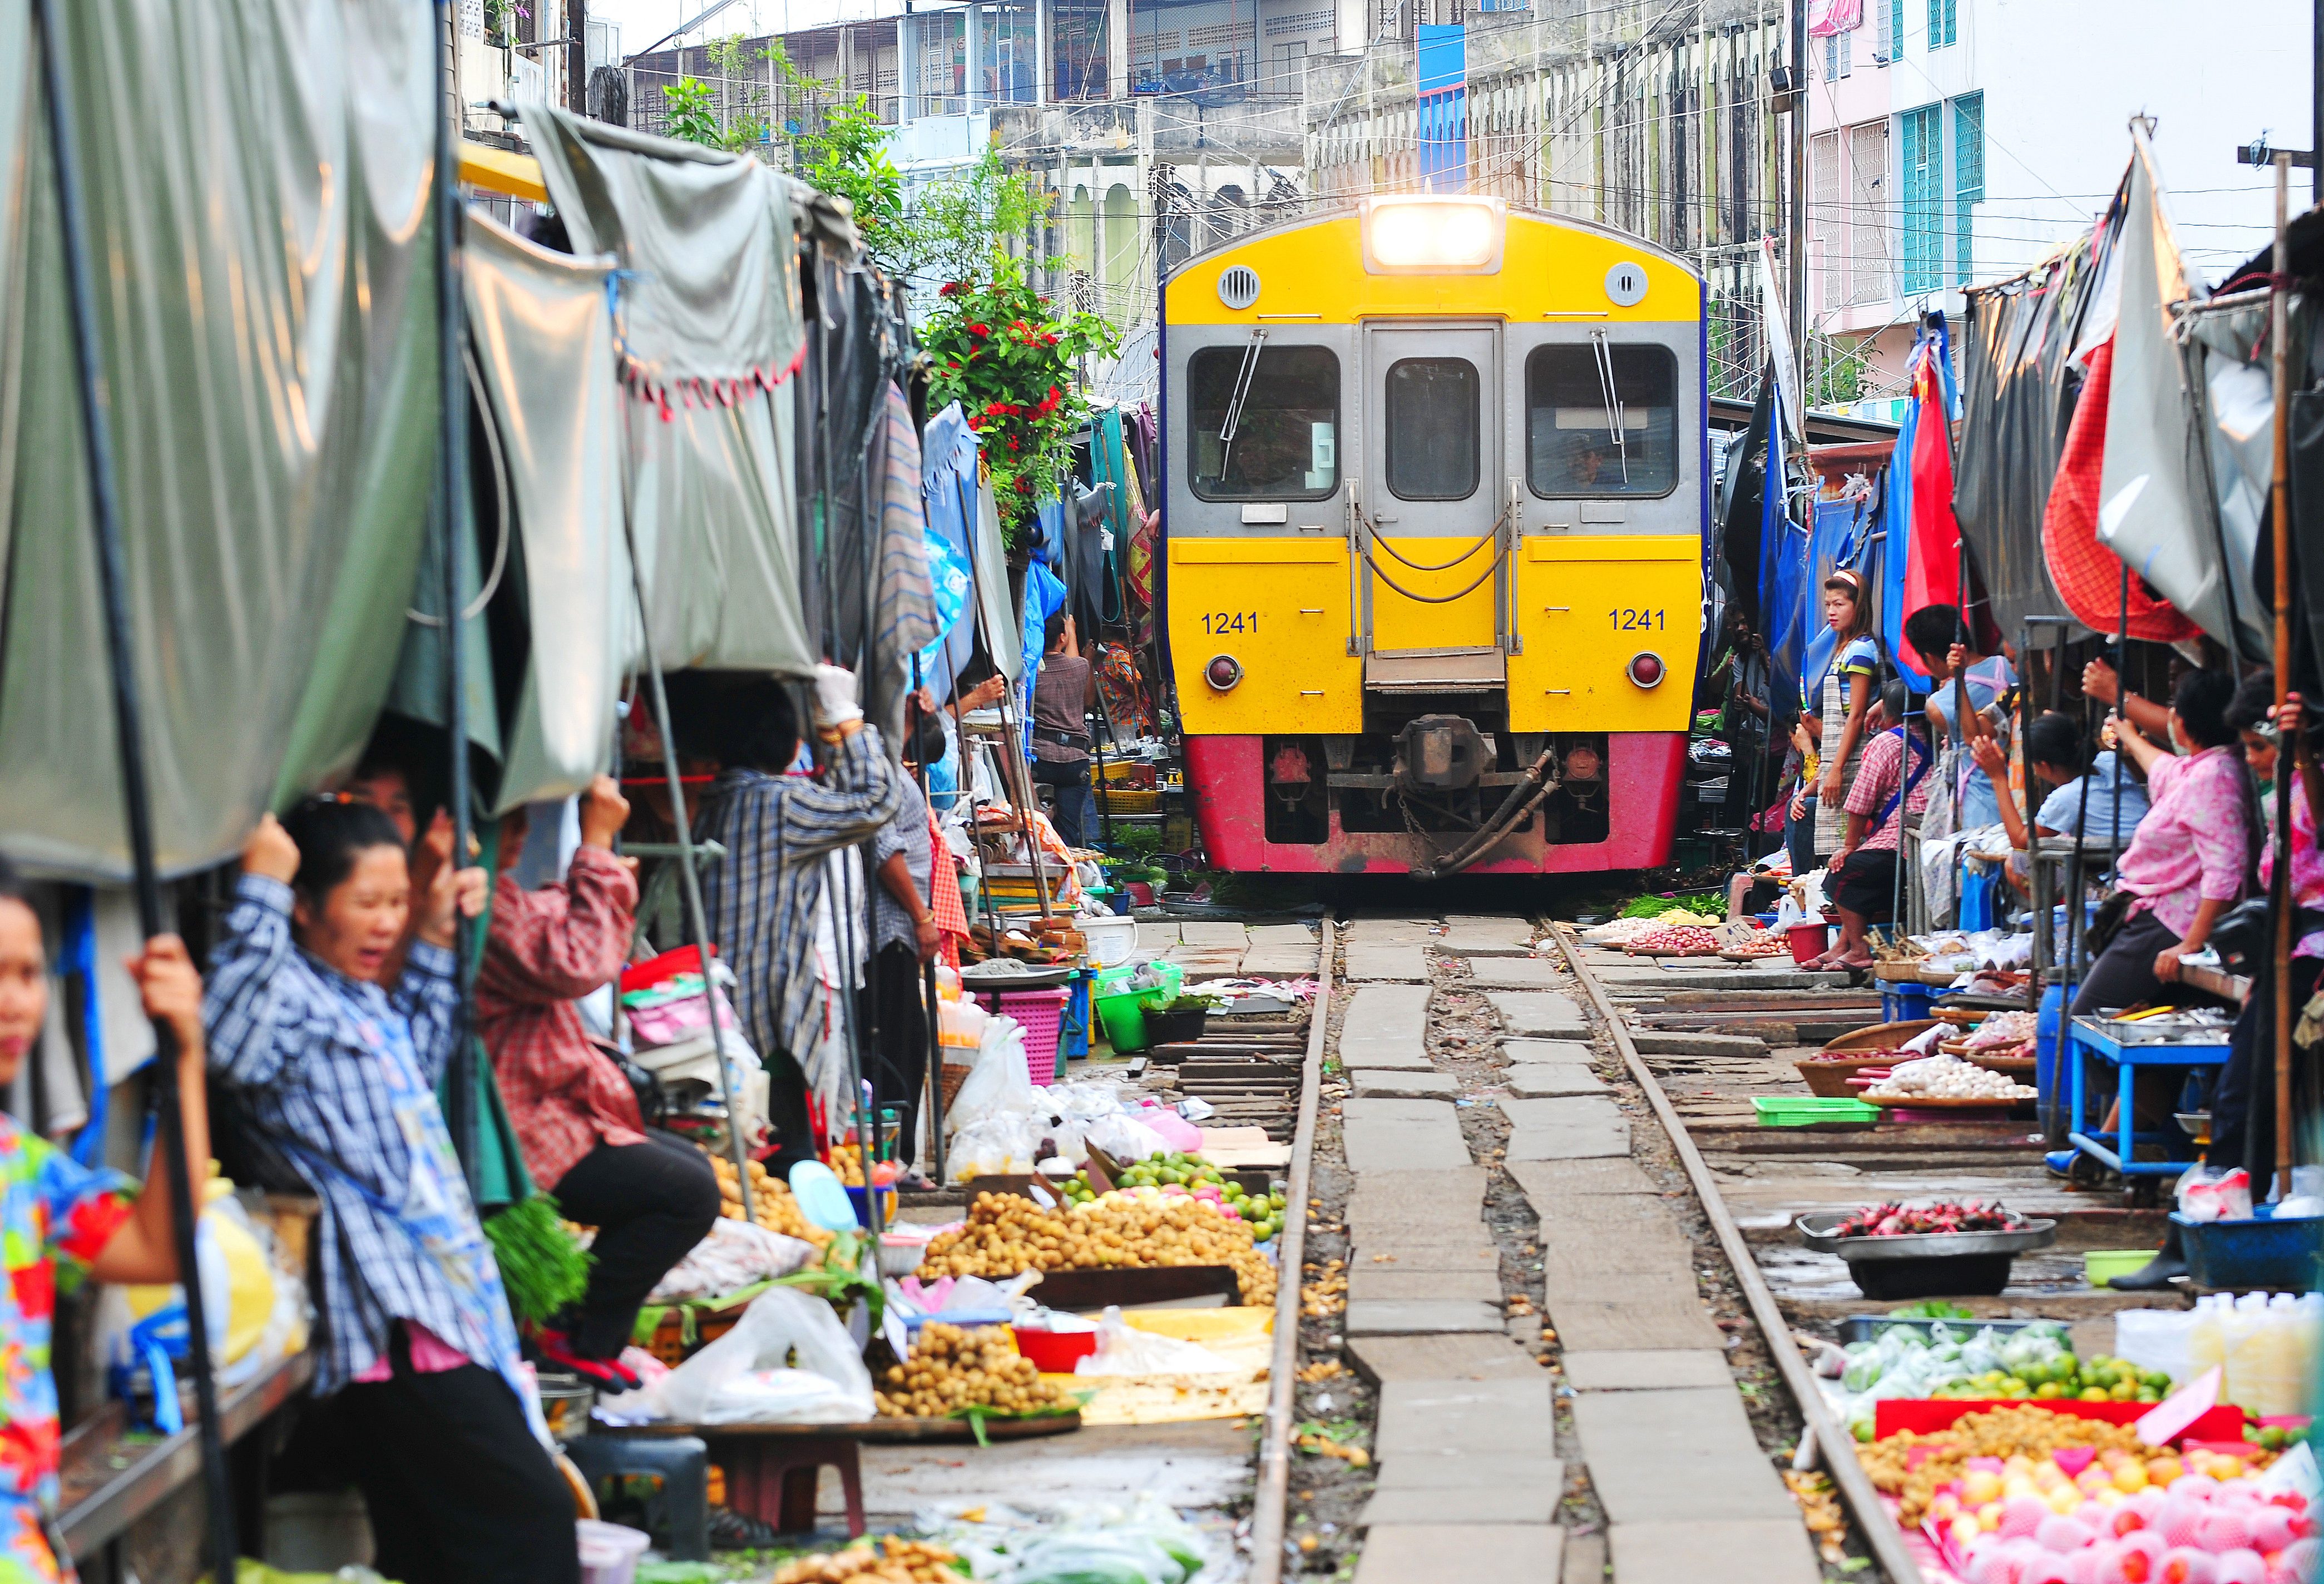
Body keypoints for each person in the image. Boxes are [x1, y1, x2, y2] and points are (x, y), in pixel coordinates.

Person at [204, 802, 576, 1584]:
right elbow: (225, 1045)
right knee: (530, 1519)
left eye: (395, 903)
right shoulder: (285, 997)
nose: (384, 924)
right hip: (395, 1327)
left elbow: (421, 1049)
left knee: (431, 1548)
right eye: (365, 904)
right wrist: (263, 892)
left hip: (441, 1306)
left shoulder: (357, 997)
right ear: (308, 908)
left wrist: (436, 933)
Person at [0, 859, 210, 1584]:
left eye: (28, 974)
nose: (15, 1003)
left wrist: (184, 1059)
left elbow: (159, 1248)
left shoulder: (22, 1169)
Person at [476, 775, 719, 1394]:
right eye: (510, 821)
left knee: (688, 1170)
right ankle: (575, 1330)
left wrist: (599, 867)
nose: (522, 834)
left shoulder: (495, 897)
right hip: (515, 1125)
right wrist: (599, 844)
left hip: (548, 1107)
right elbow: (576, 961)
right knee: (686, 1191)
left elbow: (548, 923)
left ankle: (583, 1329)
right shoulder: (474, 905)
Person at [695, 666, 902, 1174]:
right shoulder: (779, 804)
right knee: (790, 1154)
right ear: (789, 746)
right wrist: (847, 719)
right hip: (771, 1011)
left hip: (721, 1007)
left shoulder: (718, 801)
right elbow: (876, 802)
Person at [2073, 669, 2254, 1019]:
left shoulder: (2214, 776)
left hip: (2170, 923)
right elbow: (2164, 768)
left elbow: (2226, 870)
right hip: (2156, 915)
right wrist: (2128, 733)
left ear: (2182, 726)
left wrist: (2190, 945)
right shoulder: (2203, 767)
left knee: (2089, 1019)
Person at [2208, 682, 2324, 1191]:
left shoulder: (2311, 786)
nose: (2251, 760)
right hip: (2283, 958)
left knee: (2244, 1093)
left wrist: (2300, 750)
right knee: (2246, 1088)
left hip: (2312, 962)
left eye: (2259, 746)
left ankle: (2229, 1204)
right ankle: (2233, 1201)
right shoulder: (2282, 797)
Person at [863, 709, 949, 1174]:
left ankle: (895, 1158)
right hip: (887, 930)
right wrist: (921, 915)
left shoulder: (886, 766)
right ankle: (890, 1161)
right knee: (896, 1048)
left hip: (892, 929)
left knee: (908, 1044)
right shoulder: (879, 770)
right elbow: (883, 847)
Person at [1818, 681, 1932, 969]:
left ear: (1889, 714)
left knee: (1841, 874)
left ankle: (1859, 950)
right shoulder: (1936, 738)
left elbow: (1860, 802)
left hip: (1900, 845)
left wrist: (1848, 846)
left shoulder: (1887, 742)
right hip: (1926, 840)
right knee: (1857, 878)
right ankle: (1842, 946)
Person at [1981, 712, 2152, 893]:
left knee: (2016, 862)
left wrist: (1998, 778)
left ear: (2044, 766)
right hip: (2149, 858)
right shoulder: (2111, 762)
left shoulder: (2066, 797)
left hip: (2119, 878)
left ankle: (2061, 918)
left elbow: (2022, 843)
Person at [1905, 603, 2017, 831]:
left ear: (1929, 658)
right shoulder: (2005, 665)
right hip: (2016, 784)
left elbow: (1971, 736)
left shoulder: (1937, 705)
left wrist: (1959, 681)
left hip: (1980, 797)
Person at [1810, 570, 1883, 864]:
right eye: (1828, 605)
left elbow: (1855, 716)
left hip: (1852, 762)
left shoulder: (1862, 651)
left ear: (1858, 605)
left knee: (1845, 848)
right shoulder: (1844, 650)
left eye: (1839, 604)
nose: (1831, 612)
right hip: (1837, 760)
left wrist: (1837, 769)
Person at [1030, 612, 1099, 848]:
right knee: (1068, 833)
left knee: (1036, 825)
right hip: (1074, 763)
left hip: (1041, 761)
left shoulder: (1032, 672)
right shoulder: (1080, 667)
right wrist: (1073, 632)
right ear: (1062, 637)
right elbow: (1074, 663)